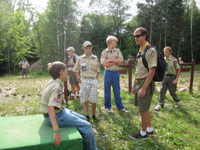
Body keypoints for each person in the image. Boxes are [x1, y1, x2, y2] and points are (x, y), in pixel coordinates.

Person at [40, 61, 97, 150]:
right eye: (66, 70)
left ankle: (82, 144)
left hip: (58, 111)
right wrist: (56, 130)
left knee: (83, 119)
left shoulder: (52, 80)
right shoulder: (57, 87)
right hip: (57, 115)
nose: (67, 73)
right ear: (61, 72)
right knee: (87, 126)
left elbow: (41, 95)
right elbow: (51, 108)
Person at [130, 27, 157, 140]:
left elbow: (152, 70)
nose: (135, 38)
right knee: (144, 108)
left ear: (144, 36)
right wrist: (134, 85)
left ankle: (143, 134)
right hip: (139, 82)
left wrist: (144, 88)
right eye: (134, 36)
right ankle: (149, 129)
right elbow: (138, 69)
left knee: (143, 110)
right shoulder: (140, 51)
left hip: (145, 83)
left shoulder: (150, 50)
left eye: (138, 36)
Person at [73, 41, 100, 122]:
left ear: (91, 48)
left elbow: (98, 69)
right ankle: (87, 116)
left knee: (94, 99)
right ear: (83, 49)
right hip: (84, 80)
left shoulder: (95, 58)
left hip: (93, 80)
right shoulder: (80, 58)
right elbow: (76, 69)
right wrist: (78, 78)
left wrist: (96, 79)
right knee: (85, 99)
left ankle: (94, 115)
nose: (88, 50)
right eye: (86, 48)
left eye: (89, 48)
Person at [100, 36, 128, 113]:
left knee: (117, 90)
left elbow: (121, 60)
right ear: (110, 42)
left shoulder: (117, 51)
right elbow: (104, 64)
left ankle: (120, 107)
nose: (116, 43)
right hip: (108, 73)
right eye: (115, 42)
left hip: (116, 73)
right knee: (107, 90)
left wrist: (110, 60)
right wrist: (116, 61)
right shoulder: (104, 52)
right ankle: (108, 107)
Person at [154, 46, 181, 111]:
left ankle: (177, 100)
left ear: (170, 52)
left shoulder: (174, 59)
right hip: (165, 76)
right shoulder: (163, 59)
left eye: (166, 52)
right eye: (164, 52)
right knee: (162, 90)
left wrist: (176, 79)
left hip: (172, 77)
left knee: (172, 92)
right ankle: (160, 104)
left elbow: (178, 69)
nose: (165, 53)